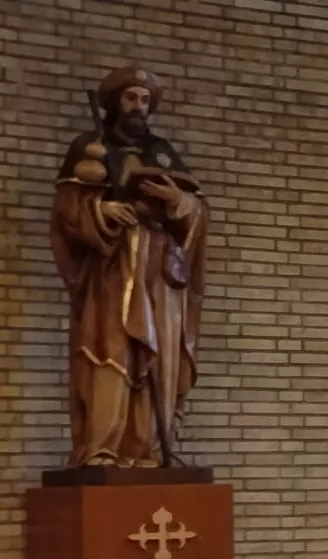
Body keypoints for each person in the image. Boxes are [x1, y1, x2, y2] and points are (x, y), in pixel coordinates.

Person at [51, 66, 209, 469]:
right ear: (114, 103)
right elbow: (67, 212)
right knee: (111, 354)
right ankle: (102, 449)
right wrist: (102, 210)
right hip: (113, 271)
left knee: (161, 361)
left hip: (159, 274)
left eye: (144, 99)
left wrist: (178, 201)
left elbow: (197, 215)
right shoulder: (89, 147)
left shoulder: (162, 151)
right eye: (130, 98)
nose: (138, 107)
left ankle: (150, 450)